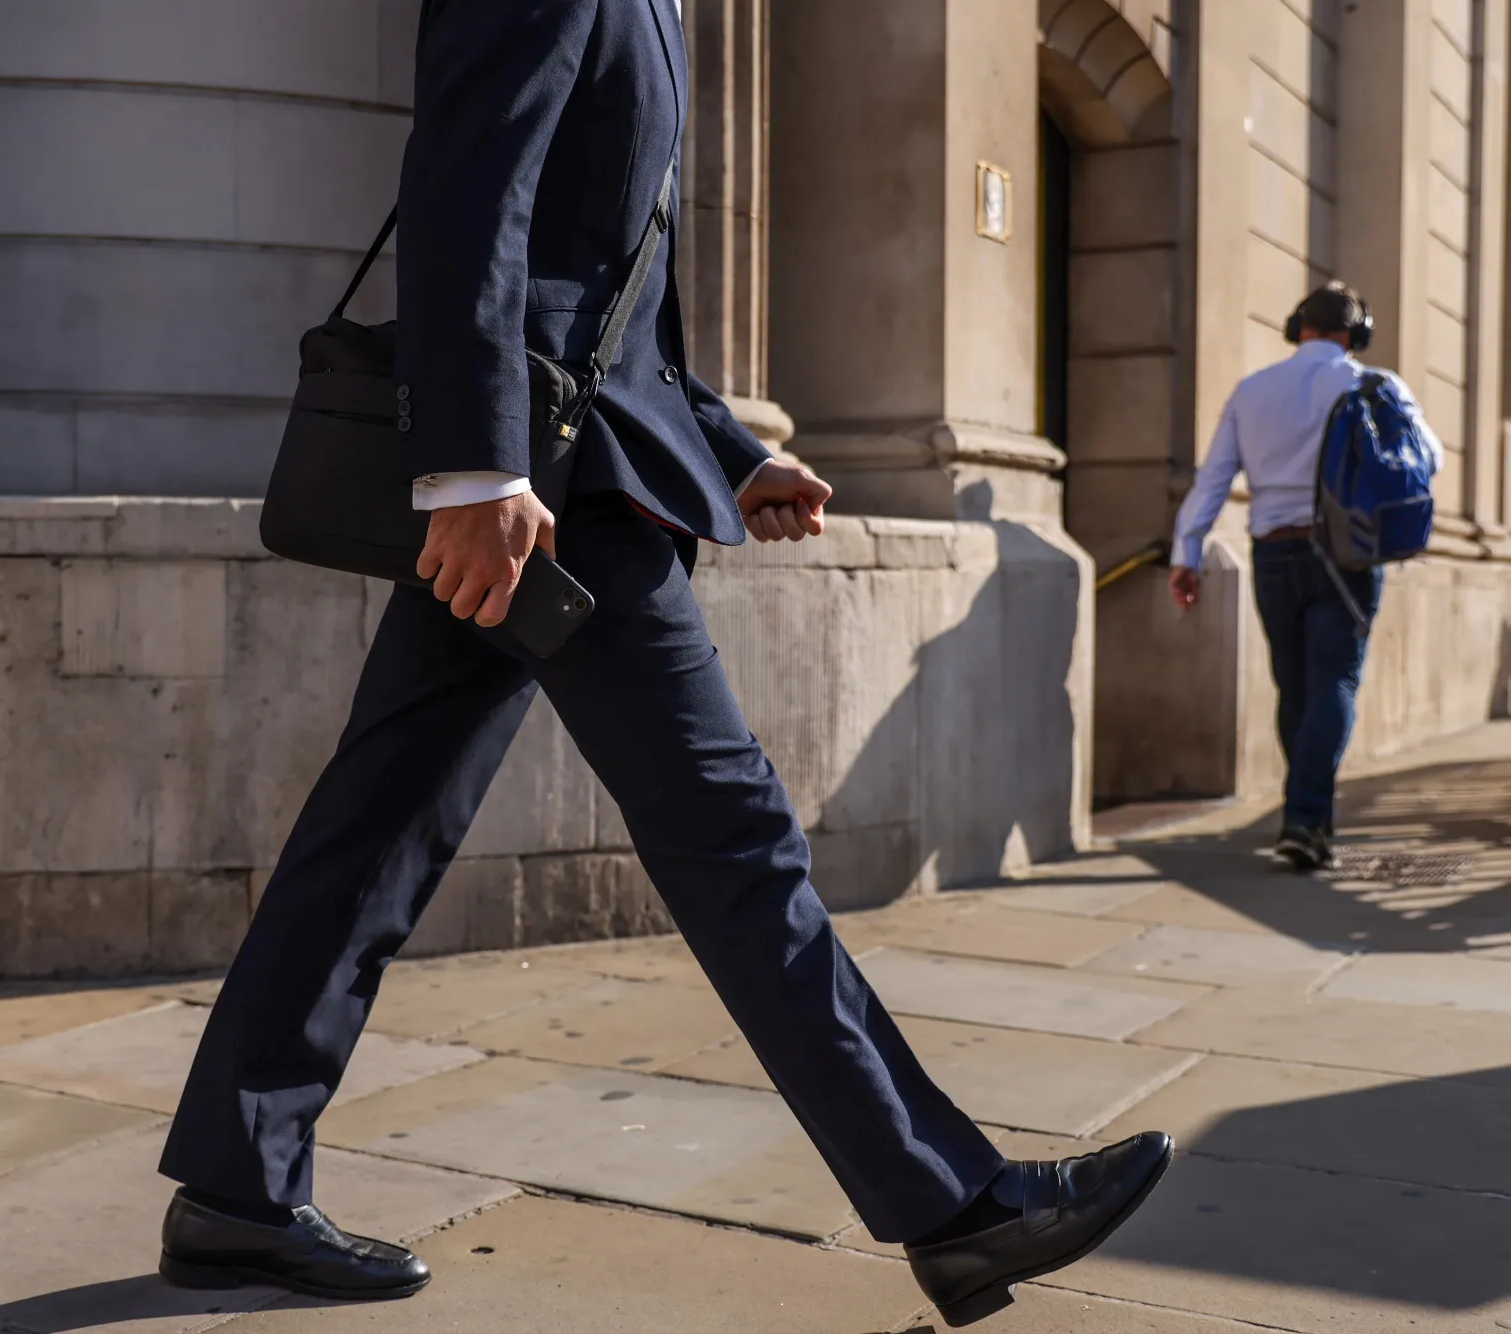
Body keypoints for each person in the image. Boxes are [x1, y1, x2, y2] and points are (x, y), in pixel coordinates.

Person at [155, 1, 1171, 1326]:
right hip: (556, 501)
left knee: (379, 827)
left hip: (570, 475)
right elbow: (470, 185)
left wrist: (735, 455)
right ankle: (954, 1205)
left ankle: (237, 1183)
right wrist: (474, 469)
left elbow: (612, 297)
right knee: (734, 838)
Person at [1169, 281, 1443, 871]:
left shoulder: (1252, 390)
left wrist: (1186, 554)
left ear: (1301, 330)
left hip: (1271, 553)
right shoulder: (1374, 384)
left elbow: (1213, 478)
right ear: (1355, 334)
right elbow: (1430, 458)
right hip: (1346, 552)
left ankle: (1307, 820)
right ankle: (1303, 820)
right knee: (1335, 683)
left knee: (1295, 689)